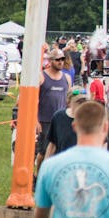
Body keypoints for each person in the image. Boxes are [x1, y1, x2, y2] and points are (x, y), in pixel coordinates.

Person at [36, 48, 72, 177]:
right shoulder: (41, 77)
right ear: (51, 61)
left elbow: (69, 100)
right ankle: (38, 175)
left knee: (61, 150)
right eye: (58, 60)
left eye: (63, 59)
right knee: (44, 151)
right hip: (45, 120)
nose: (61, 62)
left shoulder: (67, 78)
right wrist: (36, 121)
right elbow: (34, 100)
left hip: (62, 120)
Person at [44, 86, 88, 159]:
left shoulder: (91, 119)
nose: (82, 105)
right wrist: (46, 163)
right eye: (79, 102)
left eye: (84, 101)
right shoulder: (58, 117)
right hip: (62, 162)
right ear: (69, 102)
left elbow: (102, 144)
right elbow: (52, 145)